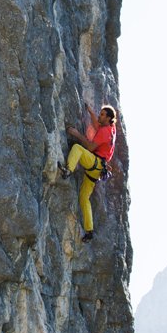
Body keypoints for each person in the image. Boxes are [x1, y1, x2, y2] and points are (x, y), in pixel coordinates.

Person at [58, 104, 117, 243]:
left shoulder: (104, 131)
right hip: (98, 170)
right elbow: (98, 127)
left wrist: (76, 134)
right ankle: (89, 231)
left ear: (108, 118)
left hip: (95, 162)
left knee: (78, 148)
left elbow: (90, 147)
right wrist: (90, 112)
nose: (99, 116)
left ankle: (68, 170)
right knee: (84, 197)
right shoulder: (111, 129)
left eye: (102, 114)